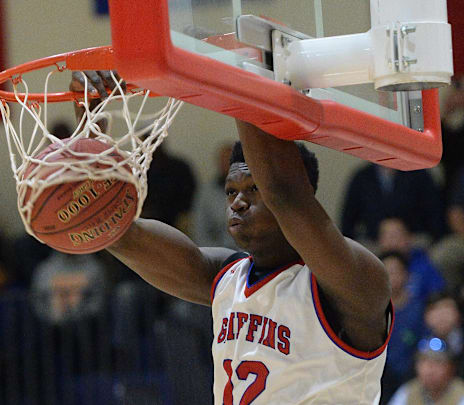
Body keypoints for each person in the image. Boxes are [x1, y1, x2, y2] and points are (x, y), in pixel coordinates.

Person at [72, 71, 392, 403]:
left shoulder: (353, 280)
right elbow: (116, 231)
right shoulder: (227, 279)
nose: (237, 202)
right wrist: (91, 134)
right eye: (230, 191)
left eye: (253, 189)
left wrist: (237, 73)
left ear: (306, 195)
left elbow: (284, 194)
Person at [340, 162, 445, 243]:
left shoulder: (418, 174)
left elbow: (434, 212)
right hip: (374, 242)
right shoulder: (362, 177)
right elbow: (348, 219)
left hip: (413, 240)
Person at [380, 251, 427, 403]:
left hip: (410, 376)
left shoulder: (419, 309)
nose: (391, 276)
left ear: (407, 274)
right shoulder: (370, 309)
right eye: (385, 271)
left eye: (395, 271)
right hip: (379, 376)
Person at [378, 217, 446, 302]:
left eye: (397, 235)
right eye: (389, 236)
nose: (394, 241)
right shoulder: (372, 267)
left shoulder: (425, 265)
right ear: (380, 241)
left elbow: (438, 293)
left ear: (409, 238)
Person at [388, 337, 464, 405]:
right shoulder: (407, 392)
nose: (430, 370)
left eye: (437, 362)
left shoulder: (461, 394)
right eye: (424, 362)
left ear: (450, 368)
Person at [192, 143, 237, 249]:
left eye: (231, 160)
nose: (227, 164)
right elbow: (200, 230)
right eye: (224, 160)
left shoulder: (254, 190)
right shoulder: (207, 192)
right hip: (216, 253)